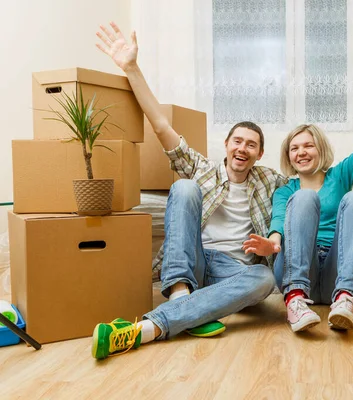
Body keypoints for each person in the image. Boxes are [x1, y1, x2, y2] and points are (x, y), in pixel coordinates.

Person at [91, 22, 287, 359]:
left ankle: (160, 321)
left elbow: (314, 178)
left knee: (265, 279)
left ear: (260, 154)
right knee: (183, 187)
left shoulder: (270, 180)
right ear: (226, 145)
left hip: (234, 269)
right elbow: (161, 125)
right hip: (195, 259)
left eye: (251, 145)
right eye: (237, 141)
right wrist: (131, 68)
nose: (243, 148)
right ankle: (181, 296)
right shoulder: (203, 168)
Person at [242, 47, 353, 332]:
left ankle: (346, 300)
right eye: (294, 148)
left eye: (308, 145)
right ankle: (294, 301)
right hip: (297, 271)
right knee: (304, 197)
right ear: (288, 156)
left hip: (338, 271)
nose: (301, 152)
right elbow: (279, 223)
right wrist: (272, 244)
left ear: (320, 148)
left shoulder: (340, 175)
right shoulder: (286, 191)